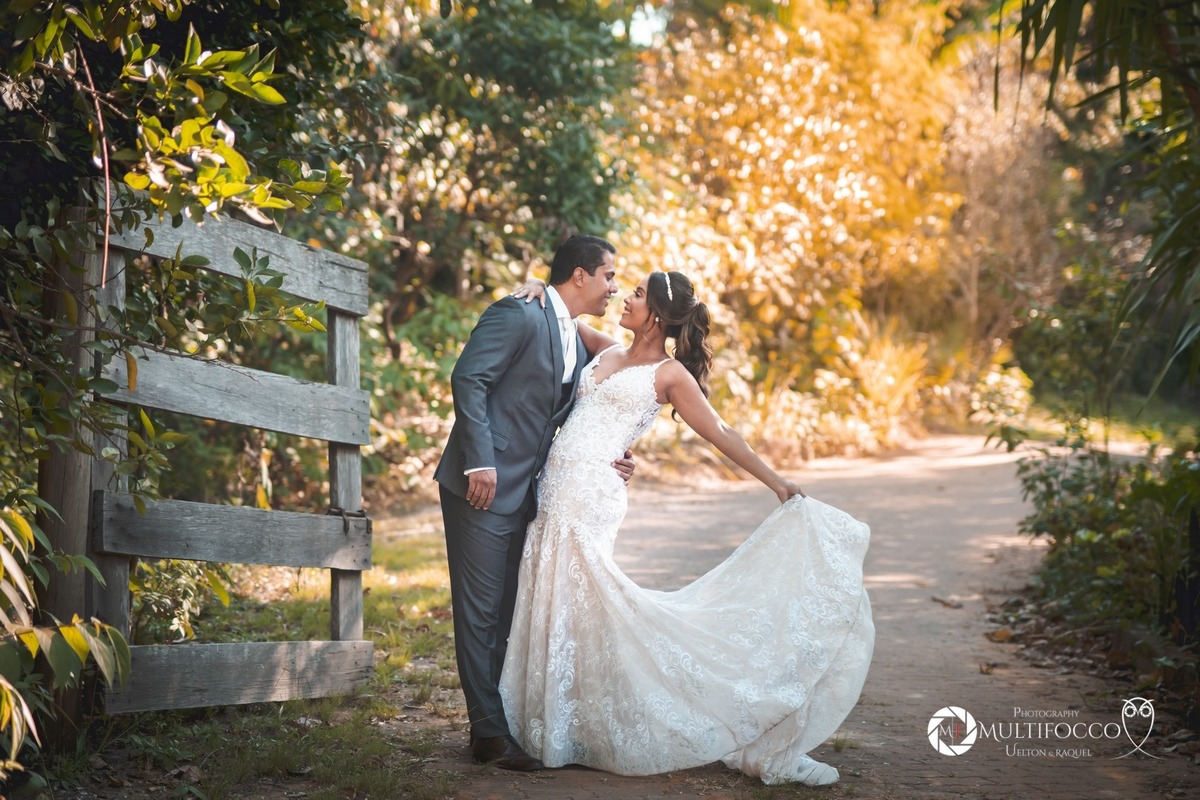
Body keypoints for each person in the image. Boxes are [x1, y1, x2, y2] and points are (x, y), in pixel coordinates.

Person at [500, 270, 874, 786]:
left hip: (592, 498)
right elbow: (562, 317)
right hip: (555, 490)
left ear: (656, 313)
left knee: (586, 599)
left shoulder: (670, 375)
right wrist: (540, 286)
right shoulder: (605, 348)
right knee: (558, 600)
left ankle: (640, 716)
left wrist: (776, 481)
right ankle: (561, 724)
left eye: (635, 295)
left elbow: (720, 430)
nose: (625, 298)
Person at [433, 234, 636, 771]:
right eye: (609, 276)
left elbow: (591, 401)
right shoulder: (519, 313)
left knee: (506, 613)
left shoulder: (570, 330)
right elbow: (469, 377)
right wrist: (480, 461)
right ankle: (490, 735)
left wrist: (618, 452)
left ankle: (500, 723)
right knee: (479, 614)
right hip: (483, 484)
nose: (614, 287)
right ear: (579, 276)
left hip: (529, 494)